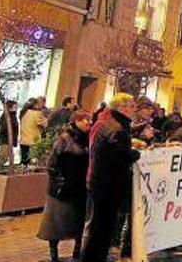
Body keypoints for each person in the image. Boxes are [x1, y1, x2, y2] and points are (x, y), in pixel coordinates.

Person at [81, 93, 141, 262]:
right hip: (108, 184)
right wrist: (135, 154)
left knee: (99, 227)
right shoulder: (117, 128)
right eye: (131, 106)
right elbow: (118, 156)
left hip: (100, 181)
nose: (134, 109)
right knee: (103, 228)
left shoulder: (108, 123)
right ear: (122, 108)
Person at [37, 110, 91, 262]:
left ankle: (77, 252)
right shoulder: (64, 139)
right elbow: (52, 163)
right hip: (62, 189)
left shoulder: (88, 139)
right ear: (75, 121)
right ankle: (54, 255)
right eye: (83, 119)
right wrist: (59, 182)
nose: (87, 122)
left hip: (81, 188)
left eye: (88, 119)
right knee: (56, 223)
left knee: (79, 222)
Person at [19, 97, 47, 165]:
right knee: (32, 163)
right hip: (33, 141)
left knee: (24, 161)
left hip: (23, 140)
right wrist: (46, 120)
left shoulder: (23, 113)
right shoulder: (37, 113)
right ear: (35, 105)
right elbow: (44, 125)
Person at [0, 100, 19, 171]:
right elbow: (4, 129)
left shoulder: (13, 116)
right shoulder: (6, 117)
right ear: (9, 108)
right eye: (15, 107)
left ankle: (0, 170)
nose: (16, 108)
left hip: (9, 140)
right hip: (5, 140)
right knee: (3, 157)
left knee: (7, 156)